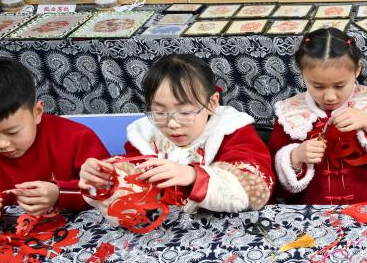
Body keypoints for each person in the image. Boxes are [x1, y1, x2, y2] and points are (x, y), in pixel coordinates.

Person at [79, 54, 274, 213]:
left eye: (185, 113)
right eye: (159, 112)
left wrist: (194, 176)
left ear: (212, 103)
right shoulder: (146, 136)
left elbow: (254, 190)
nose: (172, 124)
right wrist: (104, 178)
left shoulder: (232, 131)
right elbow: (131, 179)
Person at [0, 58, 108, 236]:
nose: (1, 144)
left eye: (13, 132)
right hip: (11, 242)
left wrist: (60, 193)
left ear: (37, 112)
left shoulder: (77, 138)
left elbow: (108, 189)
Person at [267, 28, 367, 203]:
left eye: (339, 86)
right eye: (317, 86)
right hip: (313, 212)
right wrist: (295, 157)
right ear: (302, 73)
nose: (330, 96)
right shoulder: (289, 113)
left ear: (357, 70)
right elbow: (273, 186)